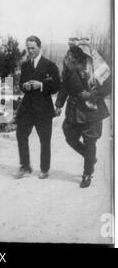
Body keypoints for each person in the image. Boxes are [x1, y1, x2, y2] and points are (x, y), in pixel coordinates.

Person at [55, 41, 111, 188]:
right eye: (68, 58)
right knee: (69, 136)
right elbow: (64, 87)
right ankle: (90, 158)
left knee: (90, 141)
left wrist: (92, 95)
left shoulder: (95, 68)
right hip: (74, 111)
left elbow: (109, 86)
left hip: (92, 111)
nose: (68, 61)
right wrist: (59, 104)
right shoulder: (68, 70)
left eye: (72, 59)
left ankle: (87, 173)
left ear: (80, 59)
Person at [15, 36, 60, 179]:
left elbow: (56, 86)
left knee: (44, 139)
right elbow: (21, 83)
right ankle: (25, 166)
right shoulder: (25, 65)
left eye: (33, 48)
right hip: (27, 107)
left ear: (40, 48)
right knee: (21, 134)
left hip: (43, 109)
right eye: (28, 48)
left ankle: (44, 169)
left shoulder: (50, 65)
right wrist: (25, 86)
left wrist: (40, 85)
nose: (30, 51)